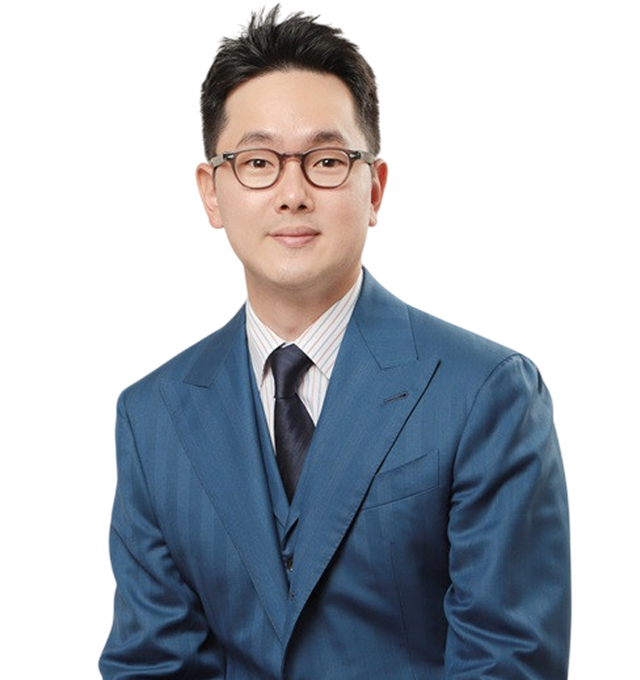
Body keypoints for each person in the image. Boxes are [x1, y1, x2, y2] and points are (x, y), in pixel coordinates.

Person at [100, 17, 571, 680]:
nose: (292, 195)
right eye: (257, 163)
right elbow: (153, 664)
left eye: (326, 162)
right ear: (210, 192)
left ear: (374, 187)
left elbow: (510, 662)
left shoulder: (486, 395)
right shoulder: (154, 417)